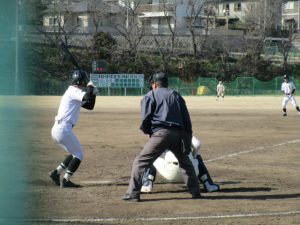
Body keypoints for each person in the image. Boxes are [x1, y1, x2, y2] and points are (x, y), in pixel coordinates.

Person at [122, 72, 201, 202]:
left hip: (160, 134)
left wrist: (150, 133)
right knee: (185, 162)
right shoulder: (176, 95)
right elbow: (187, 122)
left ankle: (133, 193)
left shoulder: (150, 95)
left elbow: (145, 119)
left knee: (140, 161)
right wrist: (186, 140)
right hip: (179, 134)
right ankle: (195, 192)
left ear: (154, 84)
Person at [49, 70, 98, 188]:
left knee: (74, 153)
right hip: (63, 129)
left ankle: (56, 173)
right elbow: (87, 95)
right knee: (79, 154)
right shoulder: (74, 91)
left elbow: (89, 106)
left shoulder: (73, 92)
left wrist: (94, 93)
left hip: (59, 129)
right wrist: (90, 87)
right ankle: (66, 180)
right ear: (81, 81)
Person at [141, 136, 220, 193]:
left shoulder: (162, 132)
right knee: (197, 158)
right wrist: (193, 157)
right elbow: (197, 144)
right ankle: (208, 184)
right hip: (190, 173)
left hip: (171, 174)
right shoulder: (184, 130)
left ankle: (147, 183)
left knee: (150, 155)